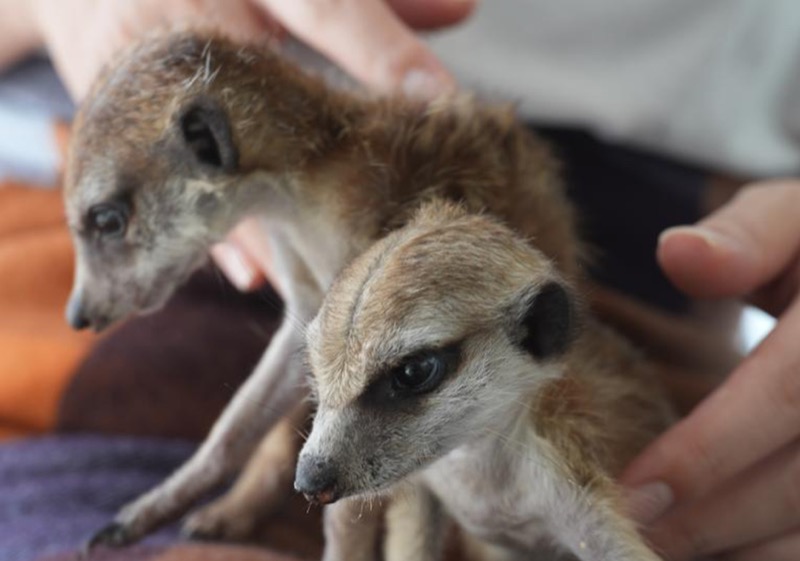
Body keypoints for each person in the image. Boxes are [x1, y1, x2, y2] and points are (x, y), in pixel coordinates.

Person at [1, 2, 799, 560]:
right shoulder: (275, 210)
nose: (91, 298)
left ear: (212, 146)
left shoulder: (366, 195)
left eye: (111, 229)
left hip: (634, 273)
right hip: (42, 172)